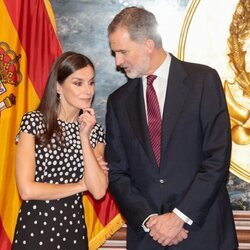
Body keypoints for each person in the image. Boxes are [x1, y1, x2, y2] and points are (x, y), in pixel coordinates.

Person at [105, 6, 238, 250]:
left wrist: (179, 216)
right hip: (149, 237)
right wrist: (150, 220)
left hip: (202, 231)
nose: (118, 61)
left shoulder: (203, 81)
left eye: (123, 51)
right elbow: (117, 172)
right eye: (115, 53)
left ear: (148, 44)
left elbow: (217, 158)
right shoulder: (118, 101)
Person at [12, 51, 108, 250]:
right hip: (35, 230)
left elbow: (98, 190)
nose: (88, 91)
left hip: (73, 231)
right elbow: (27, 190)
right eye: (78, 83)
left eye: (91, 82)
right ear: (58, 86)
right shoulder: (34, 122)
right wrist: (81, 185)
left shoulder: (94, 131)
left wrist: (84, 137)